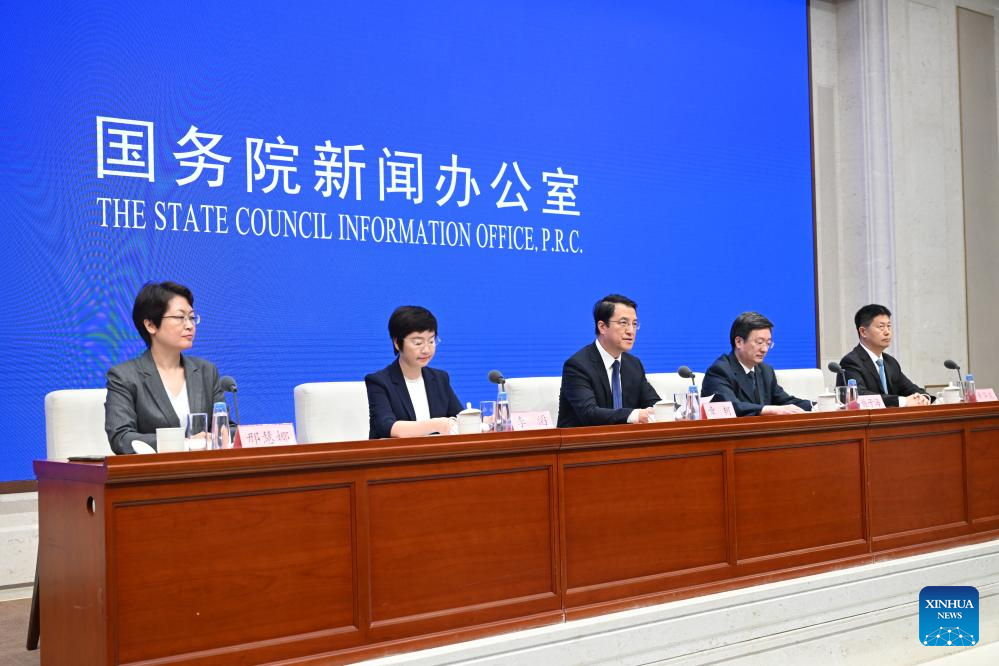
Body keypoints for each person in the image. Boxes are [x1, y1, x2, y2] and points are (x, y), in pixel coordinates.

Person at [104, 281, 224, 454]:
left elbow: (226, 428)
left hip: (203, 469)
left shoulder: (207, 372)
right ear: (151, 325)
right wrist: (184, 443)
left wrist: (216, 436)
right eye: (180, 317)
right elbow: (121, 438)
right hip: (156, 470)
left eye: (192, 317)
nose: (190, 325)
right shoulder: (124, 377)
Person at [557, 294, 660, 427]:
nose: (631, 331)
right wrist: (635, 415)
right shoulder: (577, 366)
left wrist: (677, 411)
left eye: (634, 324)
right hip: (585, 438)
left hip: (627, 439)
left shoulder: (634, 365)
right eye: (623, 323)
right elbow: (589, 413)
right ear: (602, 327)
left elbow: (654, 403)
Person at [365, 305, 463, 438]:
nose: (426, 350)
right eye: (418, 343)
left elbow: (459, 419)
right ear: (397, 343)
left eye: (431, 341)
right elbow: (387, 427)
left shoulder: (440, 378)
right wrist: (436, 425)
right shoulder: (379, 382)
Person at [702, 312, 812, 417]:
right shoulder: (719, 371)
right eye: (759, 342)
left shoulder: (766, 371)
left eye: (768, 343)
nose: (764, 349)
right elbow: (729, 407)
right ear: (739, 342)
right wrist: (770, 409)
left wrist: (815, 405)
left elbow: (785, 402)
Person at [838, 304, 931, 407]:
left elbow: (911, 389)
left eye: (889, 326)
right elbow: (858, 396)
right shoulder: (850, 362)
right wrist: (903, 401)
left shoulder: (890, 362)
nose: (887, 332)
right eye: (881, 327)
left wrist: (923, 398)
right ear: (863, 332)